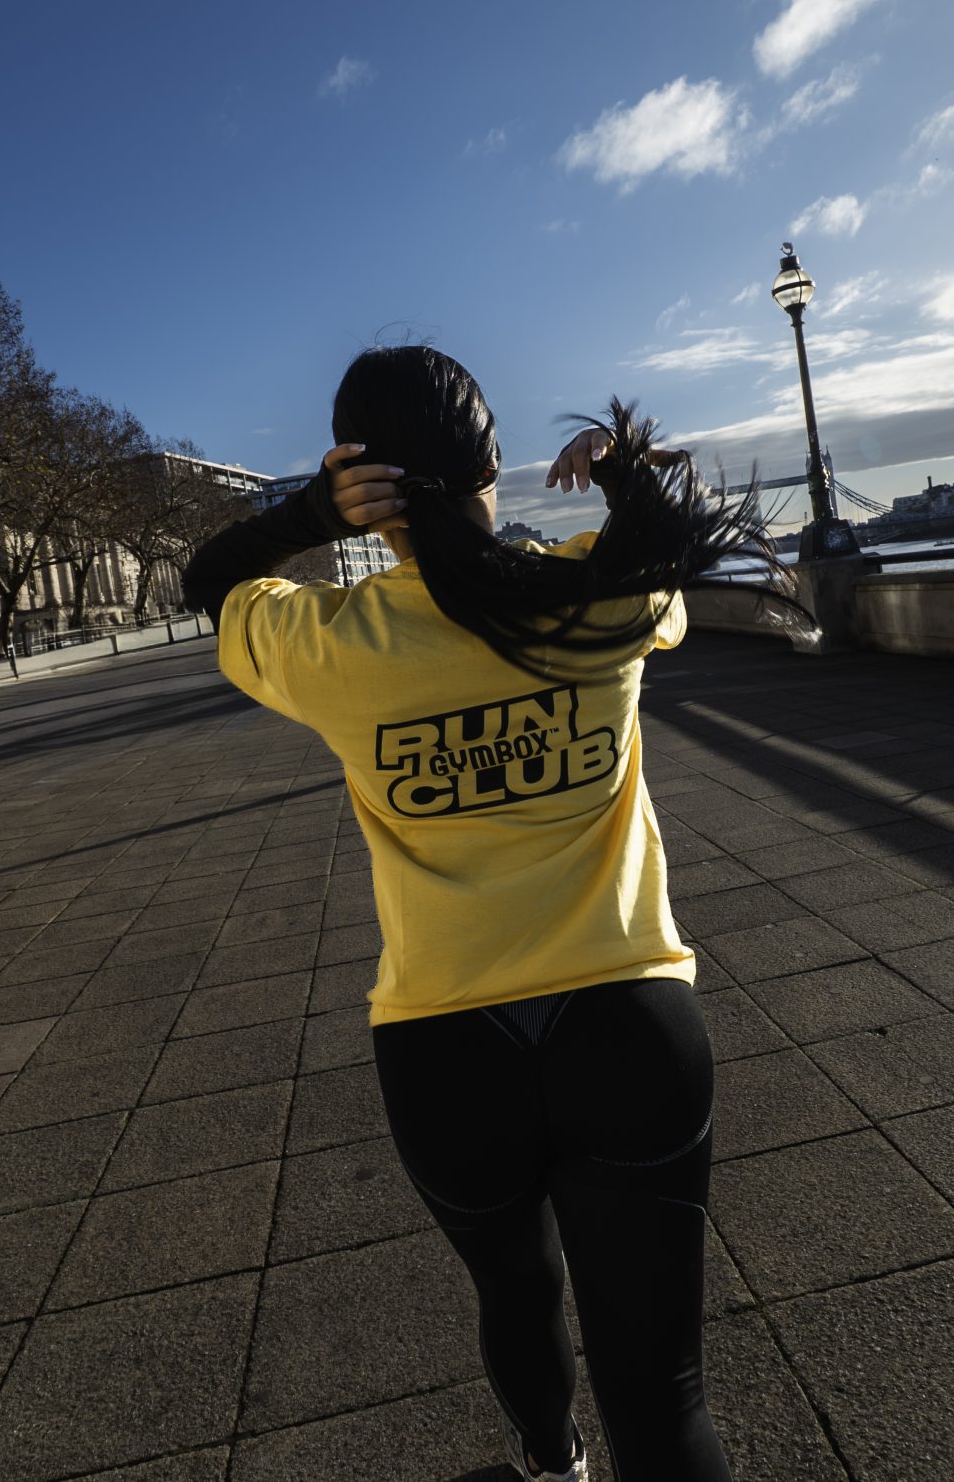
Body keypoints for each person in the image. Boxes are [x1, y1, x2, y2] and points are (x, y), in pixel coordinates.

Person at [181, 345, 770, 1482]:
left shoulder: (328, 644)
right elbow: (671, 541)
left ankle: (553, 1470)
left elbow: (209, 582)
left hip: (446, 1047)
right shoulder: (602, 593)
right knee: (666, 1393)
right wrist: (628, 467)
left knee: (515, 1291)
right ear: (495, 461)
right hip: (630, 1018)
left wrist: (307, 509)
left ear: (363, 482)